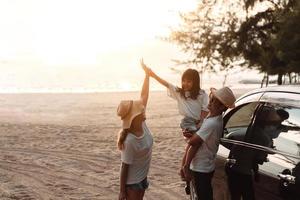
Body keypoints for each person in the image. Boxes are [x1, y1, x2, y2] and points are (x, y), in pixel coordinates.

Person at [141, 62, 209, 183]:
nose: (185, 84)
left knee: (191, 145)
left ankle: (183, 168)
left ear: (195, 82)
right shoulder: (179, 93)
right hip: (187, 122)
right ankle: (186, 167)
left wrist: (201, 122)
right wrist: (152, 75)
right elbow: (166, 83)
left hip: (199, 122)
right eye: (184, 81)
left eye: (189, 81)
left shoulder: (202, 94)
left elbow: (204, 109)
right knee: (195, 143)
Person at [183, 87, 236, 200]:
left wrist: (186, 166)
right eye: (210, 99)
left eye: (213, 101)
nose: (209, 102)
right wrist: (194, 134)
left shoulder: (211, 123)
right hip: (206, 166)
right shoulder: (215, 118)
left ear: (222, 107)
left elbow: (193, 142)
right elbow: (200, 136)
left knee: (203, 195)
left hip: (200, 168)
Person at [117, 60, 153, 200]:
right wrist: (122, 191)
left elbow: (144, 95)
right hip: (132, 183)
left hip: (142, 177)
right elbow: (124, 167)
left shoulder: (142, 124)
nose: (143, 108)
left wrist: (147, 75)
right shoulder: (130, 140)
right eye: (140, 109)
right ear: (135, 117)